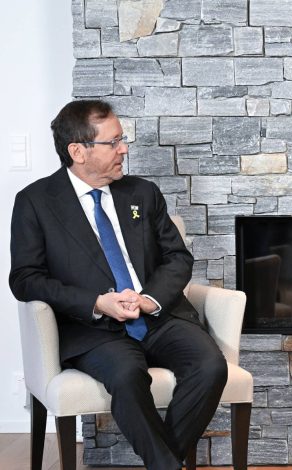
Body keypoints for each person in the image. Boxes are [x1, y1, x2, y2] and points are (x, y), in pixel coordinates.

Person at [9, 100, 227, 470]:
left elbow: (178, 257)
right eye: (113, 142)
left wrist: (149, 299)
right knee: (127, 376)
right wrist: (96, 303)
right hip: (93, 328)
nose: (124, 149)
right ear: (78, 151)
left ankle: (163, 464)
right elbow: (25, 279)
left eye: (122, 139)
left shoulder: (142, 193)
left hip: (158, 316)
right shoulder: (35, 202)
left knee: (210, 366)